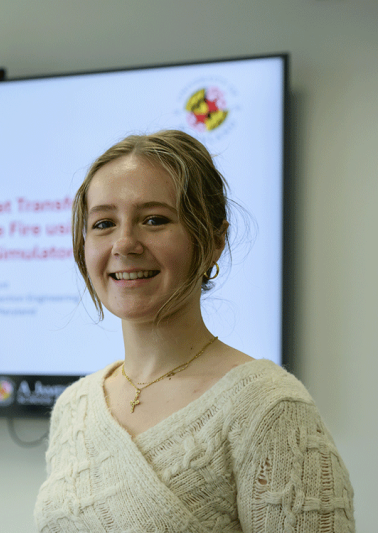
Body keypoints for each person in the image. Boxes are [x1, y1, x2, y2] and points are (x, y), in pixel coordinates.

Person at [33, 130, 354, 532]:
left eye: (154, 220)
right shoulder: (73, 408)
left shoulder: (269, 409)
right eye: (103, 223)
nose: (125, 243)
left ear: (214, 239)